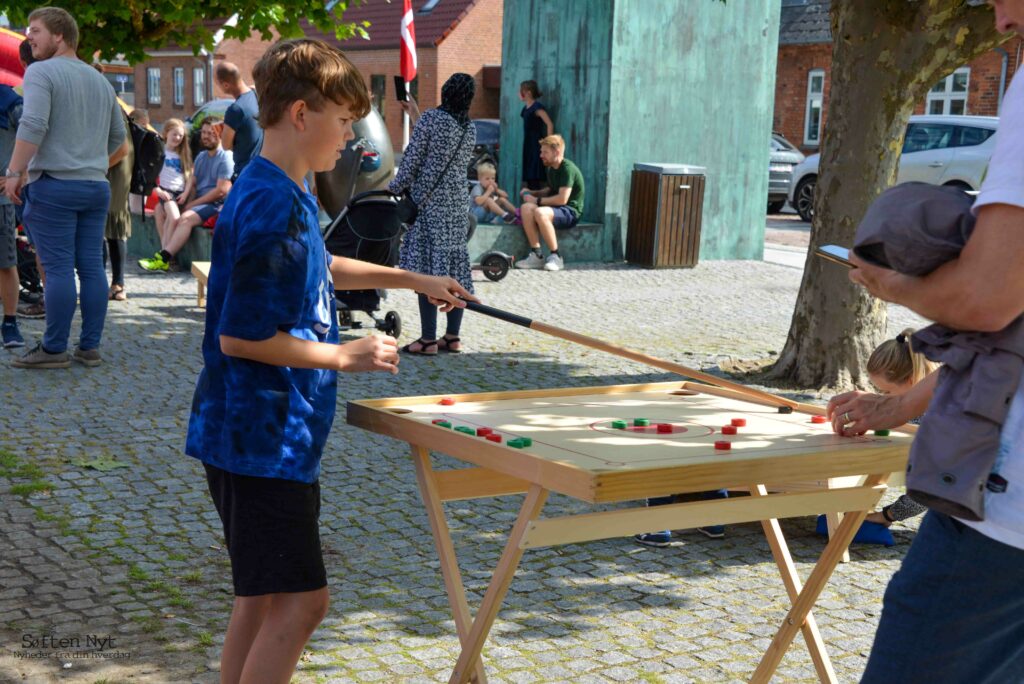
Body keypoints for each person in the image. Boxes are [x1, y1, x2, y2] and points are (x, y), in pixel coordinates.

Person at [185, 38, 476, 683]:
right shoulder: (269, 204)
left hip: (256, 438)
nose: (350, 138)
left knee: (259, 600)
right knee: (304, 604)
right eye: (344, 122)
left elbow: (318, 263)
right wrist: (347, 354)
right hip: (260, 442)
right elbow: (242, 337)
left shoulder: (282, 187)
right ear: (300, 115)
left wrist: (412, 278)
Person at [828, 2, 1024, 680]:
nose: (1000, 23)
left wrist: (891, 286)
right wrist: (899, 407)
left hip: (1005, 517)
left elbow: (988, 299)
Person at [4, 7, 127, 369]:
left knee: (57, 269)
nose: (29, 38)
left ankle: (54, 349)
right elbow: (119, 139)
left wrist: (14, 172)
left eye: (35, 31)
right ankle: (89, 347)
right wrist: (87, 162)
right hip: (94, 186)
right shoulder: (100, 80)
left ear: (59, 36)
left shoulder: (42, 71)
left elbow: (34, 124)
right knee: (90, 268)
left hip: (54, 186)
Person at [389, 73, 477, 356]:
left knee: (426, 269)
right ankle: (452, 337)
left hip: (430, 207)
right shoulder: (469, 128)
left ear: (445, 91)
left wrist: (393, 187)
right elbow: (442, 148)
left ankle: (427, 340)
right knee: (453, 269)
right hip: (456, 206)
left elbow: (414, 159)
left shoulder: (432, 119)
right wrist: (414, 113)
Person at [139, 118, 232, 272]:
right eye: (204, 132)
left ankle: (164, 256)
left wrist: (191, 204)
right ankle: (169, 256)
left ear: (220, 134)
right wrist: (186, 199)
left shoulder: (225, 157)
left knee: (185, 218)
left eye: (211, 133)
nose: (206, 136)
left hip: (215, 205)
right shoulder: (202, 156)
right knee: (159, 210)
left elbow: (221, 191)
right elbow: (192, 181)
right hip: (196, 201)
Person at [863, 329, 935, 528]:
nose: (883, 397)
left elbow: (929, 488)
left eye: (886, 392)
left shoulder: (934, 420)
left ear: (911, 381)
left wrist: (887, 516)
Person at [514, 134, 585, 272]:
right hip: (557, 209)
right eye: (541, 151)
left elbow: (562, 199)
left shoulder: (567, 169)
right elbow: (550, 190)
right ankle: (537, 255)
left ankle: (556, 256)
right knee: (526, 208)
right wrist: (533, 192)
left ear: (556, 152)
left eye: (545, 152)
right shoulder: (552, 169)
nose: (541, 155)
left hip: (570, 212)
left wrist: (537, 200)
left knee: (540, 211)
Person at [0, 78, 25, 348]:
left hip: (0, 200)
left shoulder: (8, 99)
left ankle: (10, 323)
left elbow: (34, 133)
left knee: (5, 263)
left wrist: (19, 174)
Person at [215, 62, 263, 181]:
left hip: (245, 174)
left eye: (217, 84)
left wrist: (223, 130)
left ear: (225, 85)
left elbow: (226, 145)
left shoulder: (235, 109)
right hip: (261, 169)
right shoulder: (256, 94)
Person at [104, 109, 133, 302]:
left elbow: (122, 147)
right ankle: (109, 283)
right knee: (108, 225)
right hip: (110, 166)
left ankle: (118, 283)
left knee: (114, 224)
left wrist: (100, 165)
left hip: (114, 168)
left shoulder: (110, 105)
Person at [152, 118, 194, 249]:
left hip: (180, 193)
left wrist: (186, 193)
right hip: (167, 192)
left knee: (168, 221)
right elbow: (150, 175)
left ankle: (164, 253)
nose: (177, 138)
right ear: (166, 133)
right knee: (174, 217)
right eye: (174, 134)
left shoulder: (183, 154)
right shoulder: (160, 151)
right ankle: (165, 253)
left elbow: (189, 176)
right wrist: (158, 191)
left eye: (180, 135)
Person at [519, 80, 553, 192]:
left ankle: (537, 204)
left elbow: (549, 124)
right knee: (528, 174)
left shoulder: (537, 107)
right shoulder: (525, 109)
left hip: (536, 143)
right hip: (528, 143)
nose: (519, 94)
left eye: (521, 91)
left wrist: (548, 144)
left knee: (535, 173)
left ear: (528, 93)